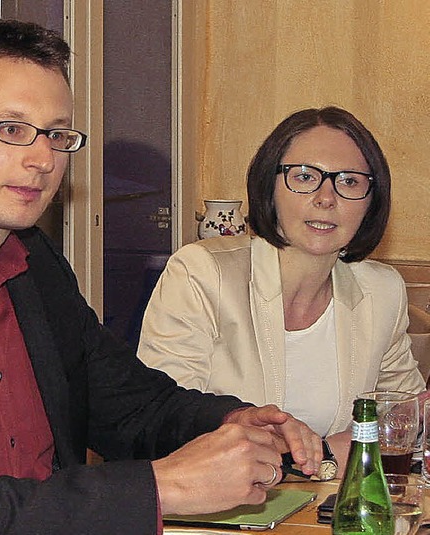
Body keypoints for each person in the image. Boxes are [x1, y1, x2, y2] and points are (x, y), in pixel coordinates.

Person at [0, 20, 322, 535]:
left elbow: (132, 405)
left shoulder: (33, 263)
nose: (43, 159)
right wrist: (158, 488)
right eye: (12, 130)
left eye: (57, 135)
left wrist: (235, 422)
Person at [138, 106, 426, 470]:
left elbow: (406, 419)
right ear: (269, 188)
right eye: (305, 177)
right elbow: (164, 426)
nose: (327, 197)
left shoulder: (381, 291)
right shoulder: (202, 274)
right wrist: (329, 451)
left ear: (372, 202)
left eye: (350, 181)